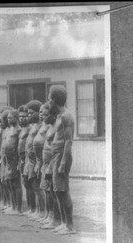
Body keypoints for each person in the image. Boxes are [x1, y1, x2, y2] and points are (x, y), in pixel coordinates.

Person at [48, 85, 76, 235]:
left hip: (62, 157)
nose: (48, 102)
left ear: (54, 100)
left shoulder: (66, 116)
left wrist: (63, 163)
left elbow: (68, 142)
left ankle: (70, 226)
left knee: (63, 191)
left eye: (49, 98)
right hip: (56, 156)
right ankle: (64, 223)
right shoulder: (59, 117)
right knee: (57, 191)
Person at [3, 110, 22, 215]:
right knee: (9, 182)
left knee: (16, 183)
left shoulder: (19, 130)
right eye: (8, 118)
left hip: (15, 159)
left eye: (10, 118)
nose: (8, 119)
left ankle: (18, 208)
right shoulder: (8, 130)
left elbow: (20, 147)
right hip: (8, 159)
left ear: (16, 117)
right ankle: (13, 206)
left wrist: (19, 161)